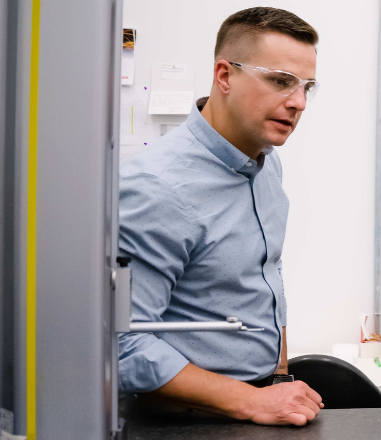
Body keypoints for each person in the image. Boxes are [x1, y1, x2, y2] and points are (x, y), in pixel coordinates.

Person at [117, 7, 324, 426]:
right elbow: (126, 345)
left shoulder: (265, 162)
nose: (299, 102)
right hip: (187, 420)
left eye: (307, 87)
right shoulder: (157, 185)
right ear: (225, 76)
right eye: (281, 81)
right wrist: (250, 401)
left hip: (258, 403)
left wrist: (278, 376)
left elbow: (266, 274)